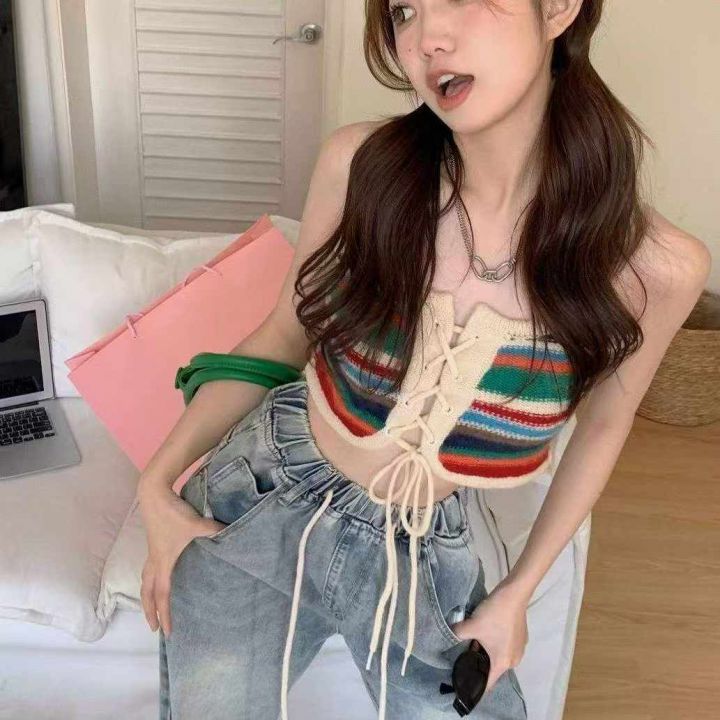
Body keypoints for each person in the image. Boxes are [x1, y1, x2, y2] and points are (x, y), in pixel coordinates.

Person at [137, 1, 711, 719]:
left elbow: (603, 426)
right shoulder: (362, 166)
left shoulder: (654, 267)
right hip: (257, 500)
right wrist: (156, 487)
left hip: (422, 548)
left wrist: (518, 594)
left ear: (560, 8)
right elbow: (283, 334)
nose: (427, 38)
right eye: (404, 10)